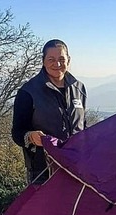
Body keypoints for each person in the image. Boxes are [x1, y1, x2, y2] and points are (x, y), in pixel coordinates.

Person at [11, 39, 87, 184]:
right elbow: (17, 133)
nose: (57, 64)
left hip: (76, 167)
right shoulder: (28, 92)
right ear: (43, 61)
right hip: (43, 170)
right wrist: (31, 136)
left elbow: (83, 126)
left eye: (61, 59)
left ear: (68, 60)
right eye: (51, 59)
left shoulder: (79, 89)